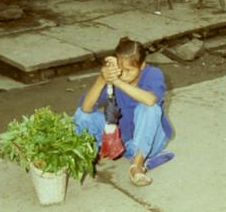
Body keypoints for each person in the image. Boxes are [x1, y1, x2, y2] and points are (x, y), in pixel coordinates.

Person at [74, 37, 174, 187]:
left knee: (149, 108)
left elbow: (150, 100)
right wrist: (102, 79)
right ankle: (95, 153)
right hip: (123, 141)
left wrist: (117, 82)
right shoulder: (113, 75)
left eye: (129, 70)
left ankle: (137, 164)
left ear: (142, 66)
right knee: (82, 115)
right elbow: (86, 108)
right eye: (120, 69)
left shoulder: (152, 74)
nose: (123, 74)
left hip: (152, 139)